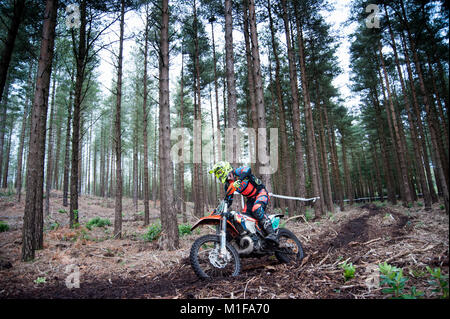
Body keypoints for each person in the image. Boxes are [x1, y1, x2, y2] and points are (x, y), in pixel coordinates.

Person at [209, 161, 278, 245]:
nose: (218, 175)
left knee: (256, 209)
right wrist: (217, 210)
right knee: (244, 218)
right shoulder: (228, 185)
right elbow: (228, 200)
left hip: (260, 192)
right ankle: (255, 238)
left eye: (219, 172)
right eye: (216, 174)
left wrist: (240, 180)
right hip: (250, 199)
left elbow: (248, 170)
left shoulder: (236, 172)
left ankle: (272, 234)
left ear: (225, 169)